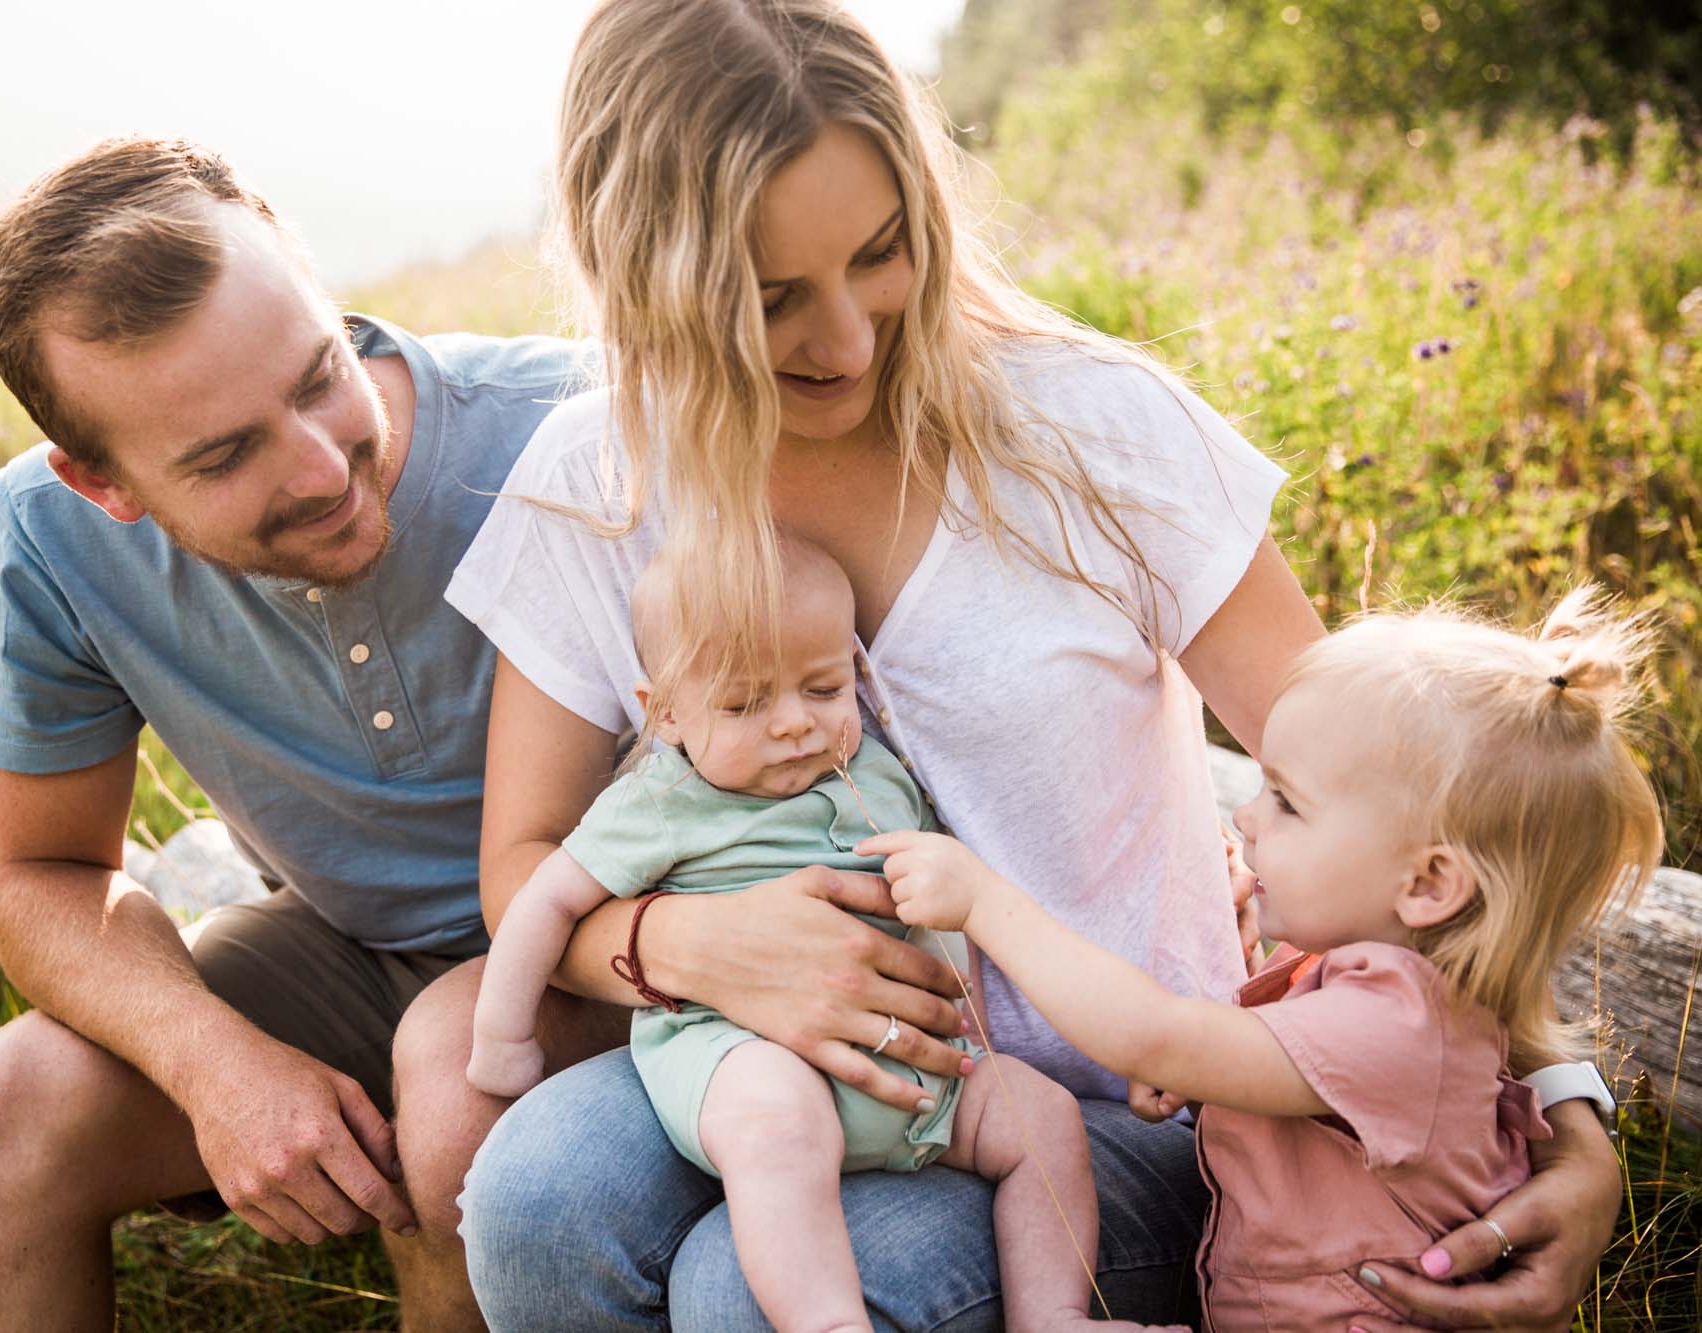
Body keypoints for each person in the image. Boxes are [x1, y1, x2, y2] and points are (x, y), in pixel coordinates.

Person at [437, 1, 1626, 1328]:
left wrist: (1571, 1111)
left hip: (1131, 1098)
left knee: (748, 1295)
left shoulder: (1096, 431)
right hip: (738, 1060)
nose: (848, 339)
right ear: (648, 280)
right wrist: (687, 940)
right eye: (772, 301)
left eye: (881, 255)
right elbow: (521, 862)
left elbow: (1418, 804)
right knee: (537, 1201)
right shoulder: (594, 487)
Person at [0, 136, 623, 1333]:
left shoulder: (581, 425)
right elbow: (43, 873)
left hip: (627, 947)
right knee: (7, 1108)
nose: (324, 466)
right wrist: (215, 1064)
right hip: (356, 955)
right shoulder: (48, 539)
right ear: (102, 482)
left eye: (317, 375)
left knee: (453, 1100)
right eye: (226, 453)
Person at [865, 590, 1658, 1329]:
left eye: (1286, 800)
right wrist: (1215, 1077)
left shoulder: (1400, 1020)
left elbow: (1153, 1033)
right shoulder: (1370, 982)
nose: (1246, 815)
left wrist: (985, 903)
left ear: (1428, 883)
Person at [471, 536, 1139, 1332]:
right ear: (667, 713)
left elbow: (951, 922)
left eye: (822, 687)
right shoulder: (663, 798)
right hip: (743, 1057)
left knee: (1044, 1117)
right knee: (779, 1117)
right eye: (745, 703)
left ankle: (1056, 1314)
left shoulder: (879, 773)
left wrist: (978, 1040)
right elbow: (542, 901)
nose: (794, 724)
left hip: (919, 1079)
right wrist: (502, 1041)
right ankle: (827, 1321)